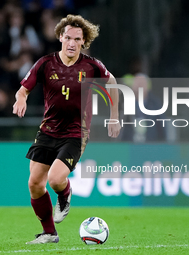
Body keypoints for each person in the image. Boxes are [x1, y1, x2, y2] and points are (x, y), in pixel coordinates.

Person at [13, 14, 121, 244]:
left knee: (55, 179)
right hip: (48, 131)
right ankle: (50, 233)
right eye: (68, 37)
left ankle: (65, 194)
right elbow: (23, 89)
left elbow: (112, 84)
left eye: (77, 39)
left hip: (75, 132)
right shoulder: (45, 63)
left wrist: (114, 116)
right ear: (60, 37)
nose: (72, 43)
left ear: (84, 41)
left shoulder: (92, 66)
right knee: (34, 184)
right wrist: (20, 99)